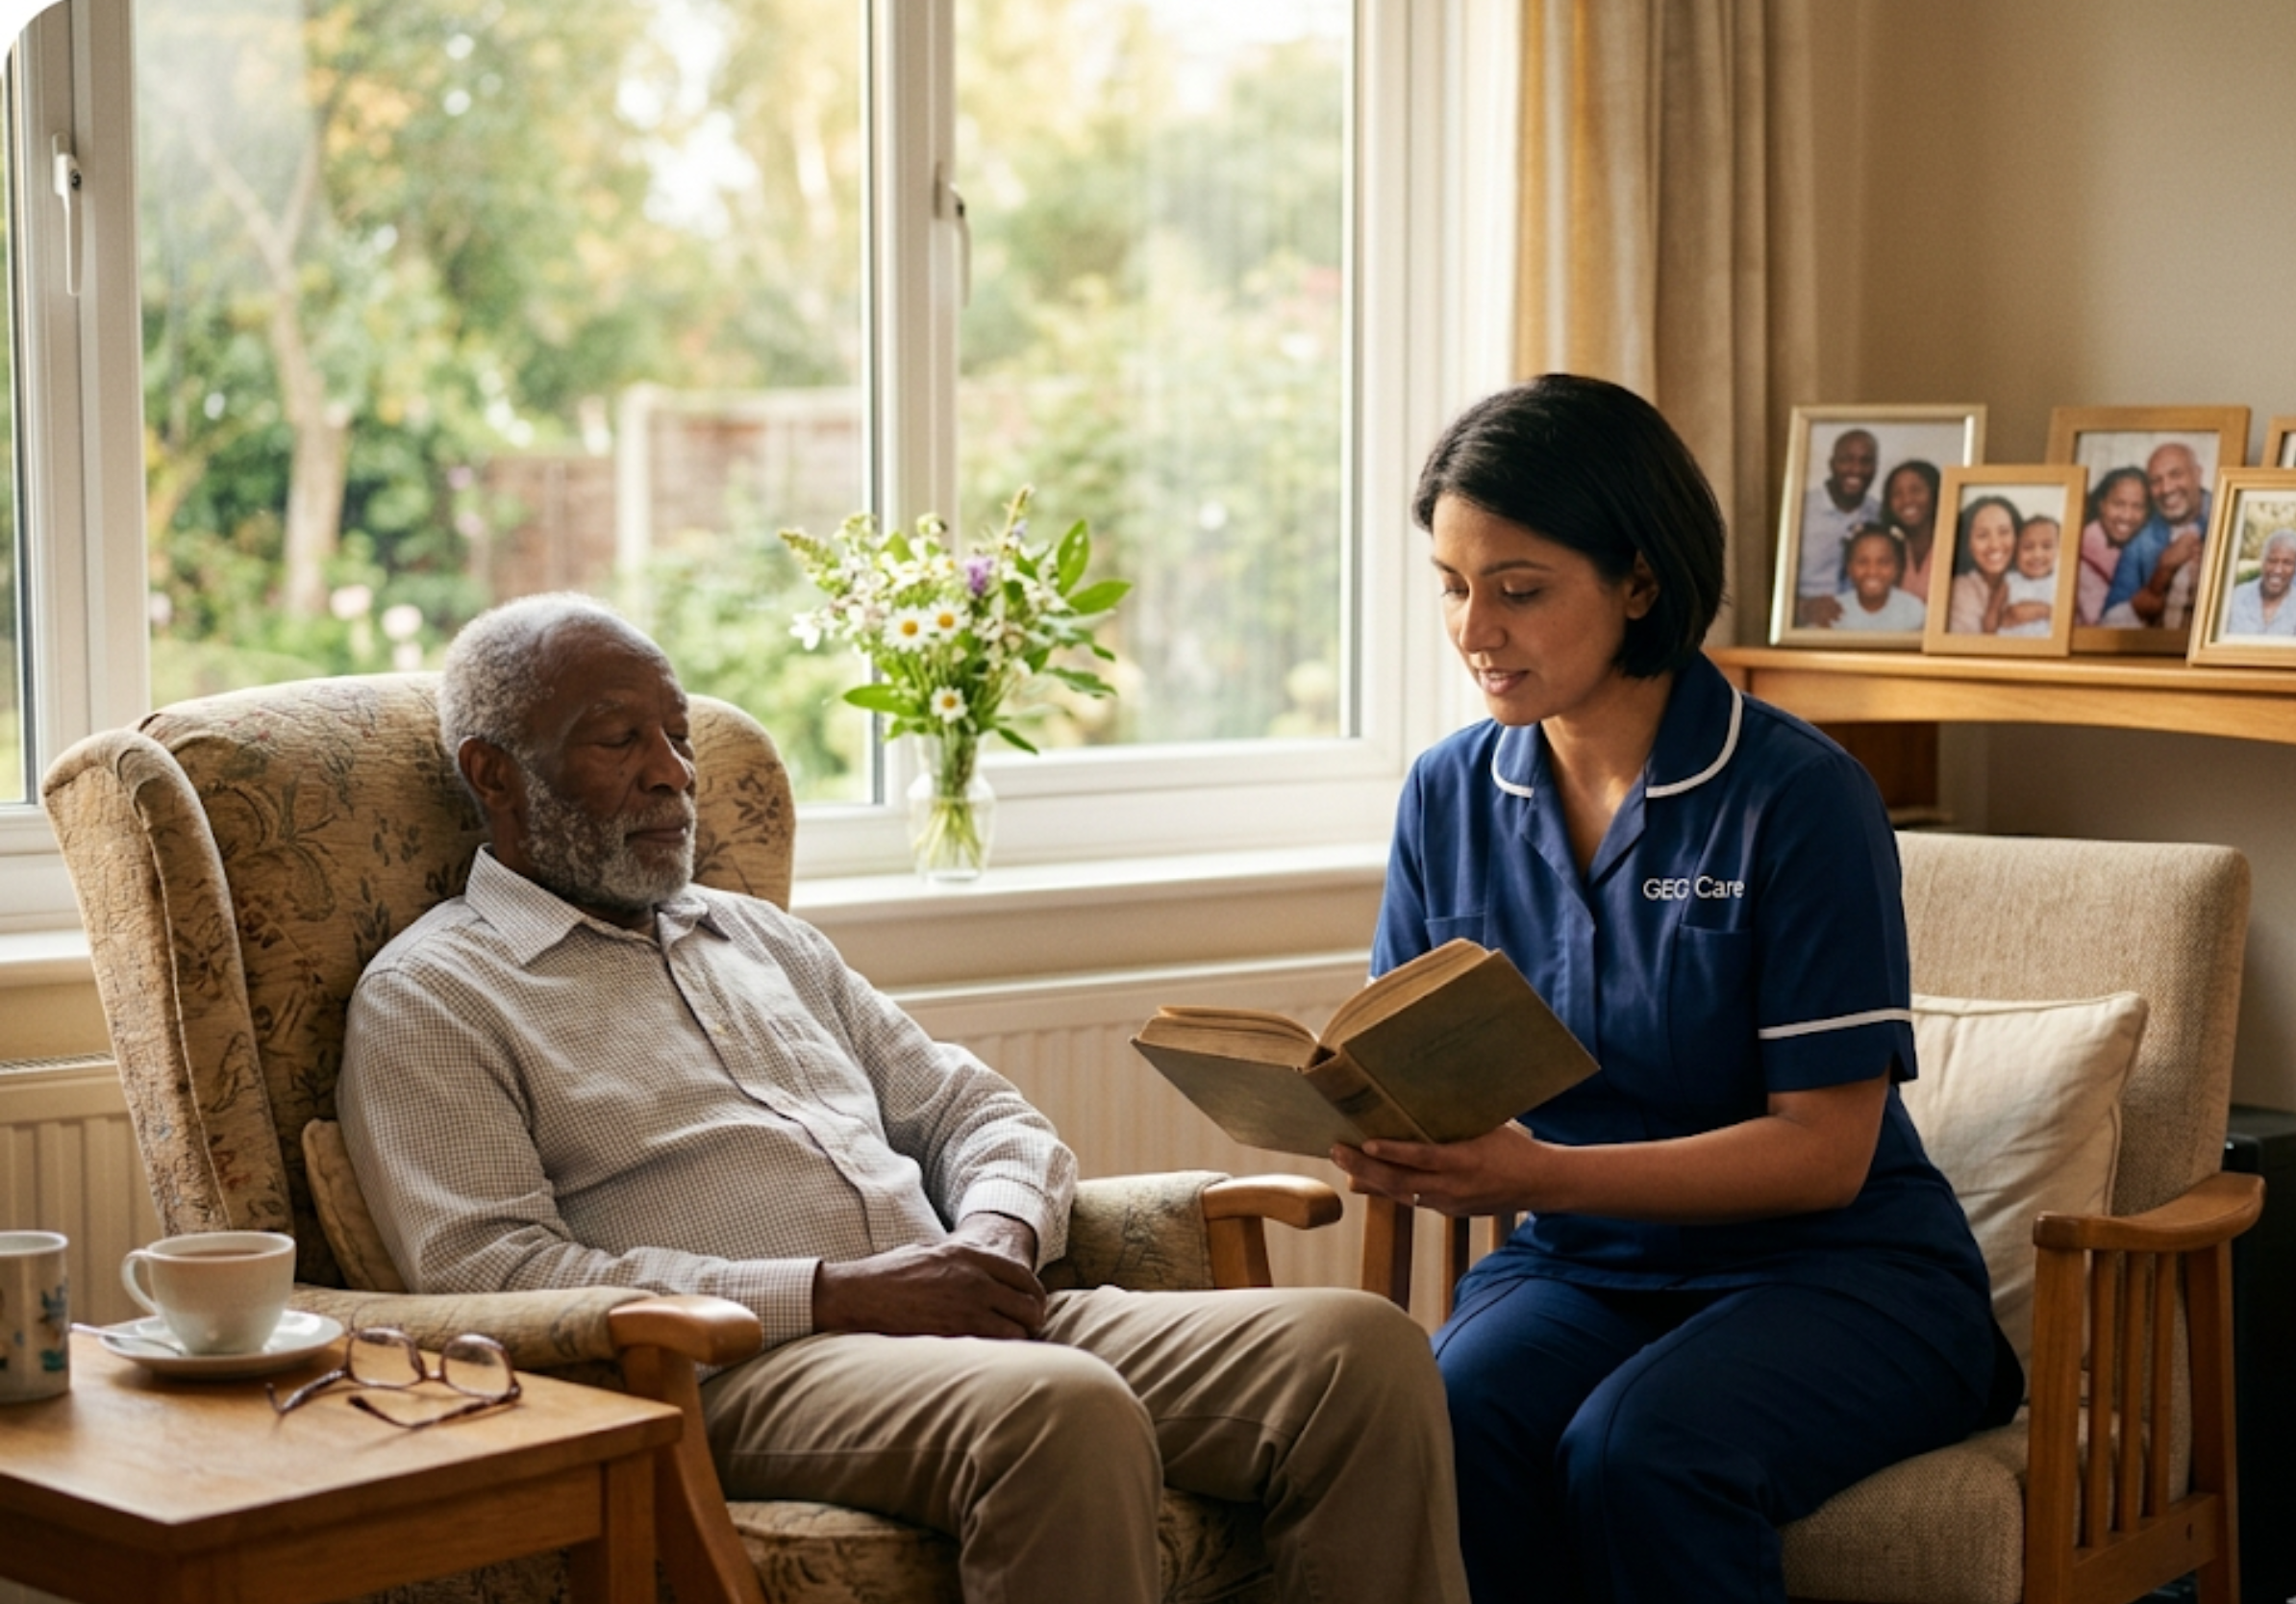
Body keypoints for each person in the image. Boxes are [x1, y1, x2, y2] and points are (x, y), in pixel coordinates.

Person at [336, 594, 1469, 1604]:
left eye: (677, 736)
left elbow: (982, 1115)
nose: (674, 773)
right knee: (1056, 1413)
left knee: (1358, 1353)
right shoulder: (435, 995)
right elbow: (491, 1279)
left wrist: (993, 1237)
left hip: (973, 1312)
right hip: (731, 1371)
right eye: (619, 740)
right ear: (496, 774)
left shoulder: (759, 937)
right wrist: (838, 1294)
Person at [1329, 375, 2017, 1604]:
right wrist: (1376, 1133)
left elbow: (1823, 1155)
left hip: (1837, 1275)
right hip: (1587, 1267)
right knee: (1438, 1415)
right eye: (1452, 584)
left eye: (1519, 589)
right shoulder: (1447, 794)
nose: (1474, 627)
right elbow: (1410, 1064)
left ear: (1639, 581)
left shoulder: (1799, 796)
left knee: (1639, 1450)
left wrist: (1533, 1175)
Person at [2102, 441, 2211, 626]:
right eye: (2156, 481)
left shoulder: (2228, 512)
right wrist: (2163, 570)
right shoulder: (2141, 539)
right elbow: (2108, 625)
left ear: (2197, 474)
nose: (2166, 488)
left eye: (2175, 475)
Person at [1793, 428, 1881, 627]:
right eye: (1846, 459)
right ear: (1832, 464)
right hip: (1803, 625)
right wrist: (1803, 608)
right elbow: (1763, 583)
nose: (1856, 469)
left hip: (1865, 624)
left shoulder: (1880, 515)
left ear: (1875, 468)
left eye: (1865, 461)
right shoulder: (1800, 509)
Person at [2077, 466, 2152, 626]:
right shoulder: (2080, 554)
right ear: (2101, 505)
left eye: (2137, 507)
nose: (2126, 516)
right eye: (2118, 504)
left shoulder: (2145, 547)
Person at [1946, 494, 2022, 634]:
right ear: (1967, 543)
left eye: (2004, 532)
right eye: (1982, 535)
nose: (1994, 544)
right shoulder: (1961, 588)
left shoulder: (2040, 579)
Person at [1832, 524, 1927, 632]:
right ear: (1849, 568)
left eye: (1883, 563)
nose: (1872, 571)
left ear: (1898, 568)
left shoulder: (1913, 610)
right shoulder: (1834, 610)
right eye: (1862, 562)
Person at [1880, 459, 1943, 603]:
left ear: (1935, 493)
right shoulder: (1888, 546)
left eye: (1916, 490)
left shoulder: (1956, 543)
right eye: (1897, 494)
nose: (1907, 500)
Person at [1994, 514, 2060, 639]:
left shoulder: (2061, 581)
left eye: (2047, 546)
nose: (2037, 554)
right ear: (2015, 552)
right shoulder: (2010, 581)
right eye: (2028, 547)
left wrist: (2045, 611)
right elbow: (1992, 619)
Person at [2222, 527, 2296, 639]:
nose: (2278, 570)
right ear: (2262, 561)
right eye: (2272, 561)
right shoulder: (2235, 597)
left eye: (2287, 563)